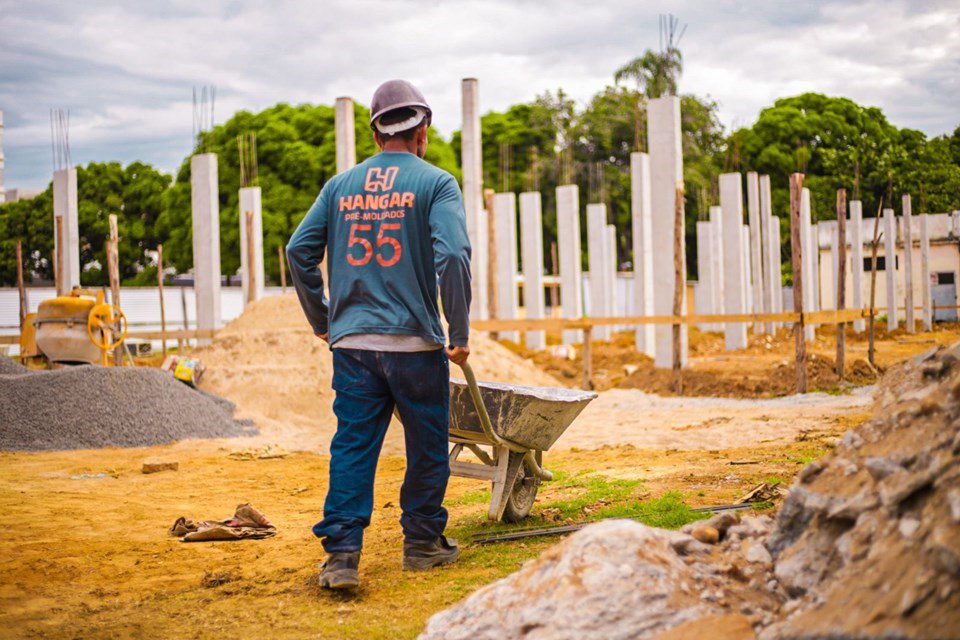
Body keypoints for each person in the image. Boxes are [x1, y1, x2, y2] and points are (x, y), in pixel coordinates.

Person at [286, 79, 472, 590]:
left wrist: (324, 322)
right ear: (423, 130)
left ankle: (342, 556)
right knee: (427, 445)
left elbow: (297, 250)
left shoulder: (338, 187)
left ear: (375, 135)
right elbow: (453, 255)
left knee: (352, 446)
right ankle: (422, 543)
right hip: (415, 345)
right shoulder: (437, 183)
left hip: (353, 348)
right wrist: (458, 332)